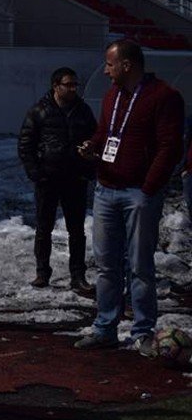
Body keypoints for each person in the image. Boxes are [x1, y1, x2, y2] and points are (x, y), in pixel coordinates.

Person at [74, 39, 186, 354]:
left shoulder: (164, 97)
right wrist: (92, 146)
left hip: (139, 193)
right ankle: (105, 327)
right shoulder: (113, 95)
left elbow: (170, 147)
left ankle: (142, 332)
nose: (106, 71)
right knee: (107, 264)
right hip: (106, 189)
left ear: (127, 65)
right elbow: (106, 132)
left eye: (110, 65)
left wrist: (149, 187)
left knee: (139, 266)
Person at [17, 67, 97, 296]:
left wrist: (88, 170)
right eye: (68, 84)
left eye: (75, 85)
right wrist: (36, 173)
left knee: (77, 230)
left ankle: (78, 276)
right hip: (48, 179)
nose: (73, 89)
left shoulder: (83, 111)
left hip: (75, 178)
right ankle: (42, 273)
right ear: (56, 86)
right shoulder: (39, 111)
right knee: (44, 228)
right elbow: (25, 144)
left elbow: (95, 139)